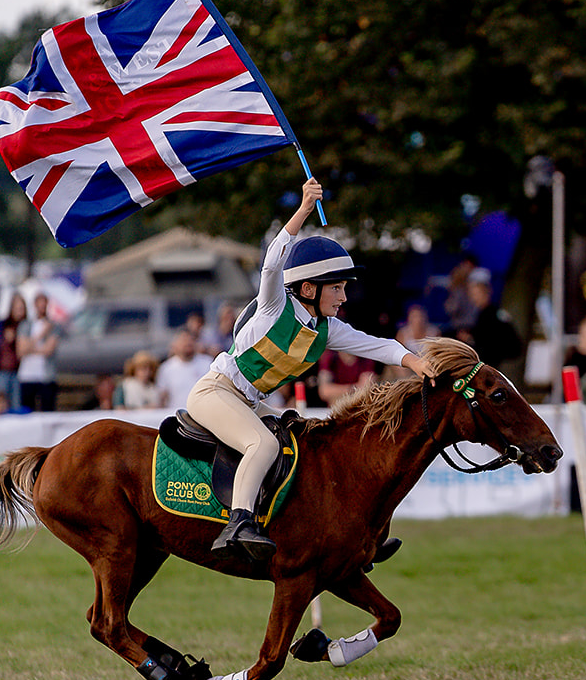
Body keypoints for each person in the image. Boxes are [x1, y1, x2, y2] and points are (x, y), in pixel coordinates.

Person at [186, 178, 436, 559]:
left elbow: (378, 345)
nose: (344, 296)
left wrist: (416, 361)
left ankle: (351, 532)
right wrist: (303, 210)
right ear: (308, 289)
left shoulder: (327, 329)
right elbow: (272, 264)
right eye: (336, 287)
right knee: (263, 443)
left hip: (248, 402)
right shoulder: (273, 306)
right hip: (215, 392)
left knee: (307, 439)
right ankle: (238, 523)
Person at [460, 268, 524, 368]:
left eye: (475, 292)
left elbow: (488, 345)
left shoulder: (491, 316)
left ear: (486, 291)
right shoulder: (485, 315)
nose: (472, 296)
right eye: (471, 292)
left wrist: (470, 340)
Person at [18, 292, 60, 413]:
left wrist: (30, 348)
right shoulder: (26, 325)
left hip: (46, 376)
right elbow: (21, 351)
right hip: (27, 375)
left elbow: (48, 350)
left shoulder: (53, 325)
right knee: (26, 411)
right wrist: (41, 334)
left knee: (47, 411)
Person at [157, 328, 214, 411]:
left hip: (203, 414)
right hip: (176, 415)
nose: (187, 343)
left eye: (191, 340)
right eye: (184, 340)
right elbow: (162, 397)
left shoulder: (208, 364)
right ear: (175, 345)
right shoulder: (166, 368)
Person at [0, 294, 26, 411]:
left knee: (16, 406)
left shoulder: (25, 327)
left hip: (18, 373)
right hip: (1, 371)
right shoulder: (0, 326)